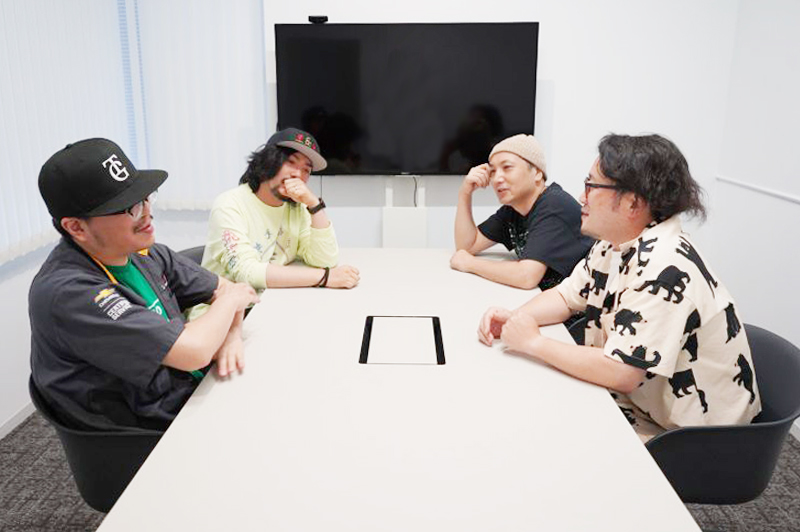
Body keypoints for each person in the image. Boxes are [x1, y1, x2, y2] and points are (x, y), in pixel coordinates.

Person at [478, 134, 761, 441]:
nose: (582, 197)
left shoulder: (665, 266)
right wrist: (516, 318)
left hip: (693, 436)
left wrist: (533, 343)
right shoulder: (612, 244)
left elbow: (622, 372)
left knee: (547, 432)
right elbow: (566, 296)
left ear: (632, 202)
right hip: (643, 402)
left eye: (591, 186)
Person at [30, 138, 260, 432]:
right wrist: (229, 304)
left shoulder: (145, 252)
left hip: (189, 389)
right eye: (130, 208)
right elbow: (196, 349)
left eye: (146, 197)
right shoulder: (69, 293)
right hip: (149, 431)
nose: (147, 213)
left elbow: (230, 290)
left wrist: (231, 337)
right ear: (76, 227)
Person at [192, 128, 358, 318]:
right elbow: (247, 272)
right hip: (220, 314)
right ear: (267, 161)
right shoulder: (230, 204)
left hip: (271, 304)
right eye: (291, 162)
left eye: (306, 169)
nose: (298, 174)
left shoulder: (298, 207)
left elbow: (325, 260)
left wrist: (314, 204)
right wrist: (325, 278)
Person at [451, 133, 594, 290]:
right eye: (492, 171)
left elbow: (526, 277)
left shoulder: (553, 205)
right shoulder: (513, 209)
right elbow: (467, 245)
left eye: (507, 167)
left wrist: (470, 263)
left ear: (537, 173)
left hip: (586, 304)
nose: (497, 178)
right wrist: (465, 193)